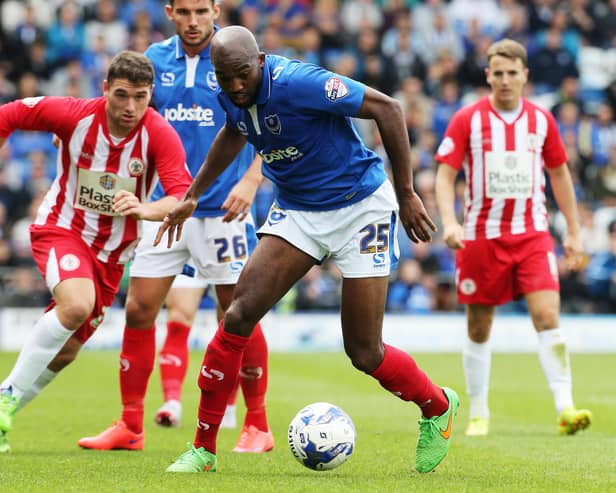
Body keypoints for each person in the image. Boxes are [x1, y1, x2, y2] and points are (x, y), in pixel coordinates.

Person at [157, 25, 459, 475]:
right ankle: (203, 449)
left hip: (361, 208)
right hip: (299, 211)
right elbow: (232, 132)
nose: (235, 86)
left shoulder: (301, 82)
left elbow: (387, 108)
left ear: (259, 61)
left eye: (242, 74)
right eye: (225, 78)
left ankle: (436, 406)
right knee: (238, 314)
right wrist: (194, 194)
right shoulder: (229, 92)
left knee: (364, 352)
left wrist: (407, 192)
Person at [77, 0, 272, 453]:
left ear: (216, 10)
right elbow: (123, 104)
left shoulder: (235, 56)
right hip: (167, 209)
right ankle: (130, 425)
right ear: (169, 12)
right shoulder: (155, 62)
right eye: (183, 11)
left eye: (201, 10)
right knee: (140, 310)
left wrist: (251, 176)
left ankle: (256, 425)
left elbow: (272, 120)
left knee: (237, 314)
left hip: (223, 210)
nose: (193, 21)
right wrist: (74, 126)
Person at [0, 50, 193, 453]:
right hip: (63, 229)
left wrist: (145, 208)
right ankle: (6, 396)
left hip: (112, 256)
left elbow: (180, 197)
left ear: (150, 94)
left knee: (68, 349)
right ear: (105, 89)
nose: (131, 106)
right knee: (76, 305)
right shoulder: (74, 115)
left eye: (141, 96)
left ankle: (5, 411)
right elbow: (11, 113)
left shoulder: (159, 134)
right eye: (122, 95)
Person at [433, 38, 592, 437]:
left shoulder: (542, 121)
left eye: (512, 73)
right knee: (479, 327)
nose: (505, 81)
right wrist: (450, 223)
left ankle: (565, 407)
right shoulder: (467, 119)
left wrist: (573, 231)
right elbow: (445, 173)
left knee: (547, 316)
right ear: (488, 76)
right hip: (481, 237)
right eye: (497, 73)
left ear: (525, 76)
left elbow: (559, 174)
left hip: (532, 235)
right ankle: (479, 412)